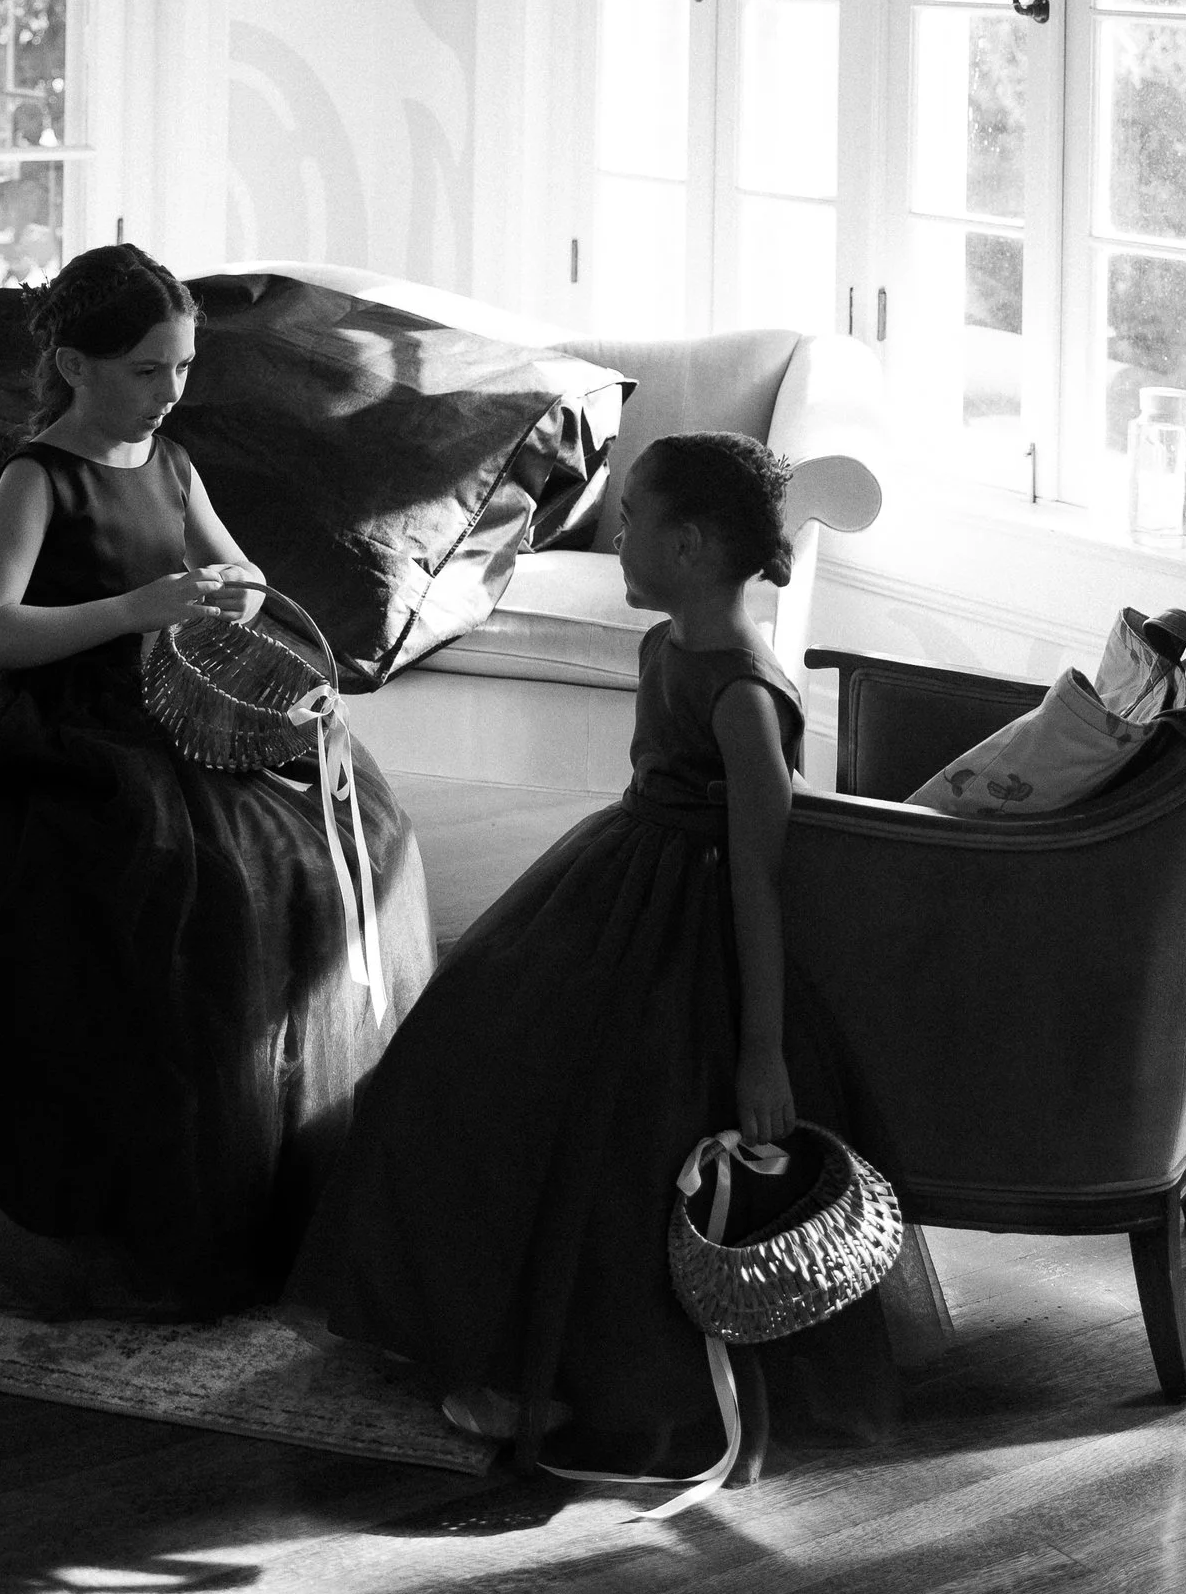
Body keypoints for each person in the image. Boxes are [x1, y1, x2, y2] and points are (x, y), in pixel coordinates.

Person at [291, 428, 931, 1474]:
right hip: (611, 887)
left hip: (697, 939)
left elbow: (761, 880)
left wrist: (760, 1052)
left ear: (685, 545)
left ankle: (579, 1373)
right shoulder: (662, 646)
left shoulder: (743, 696)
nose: (618, 536)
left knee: (611, 1134)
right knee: (460, 1062)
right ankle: (489, 1336)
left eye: (631, 520)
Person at [0, 243, 432, 1316]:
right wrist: (136, 609)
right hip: (71, 720)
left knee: (334, 843)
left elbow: (241, 569)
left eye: (182, 368)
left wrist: (231, 595)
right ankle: (130, 1184)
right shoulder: (40, 475)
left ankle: (278, 1153)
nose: (171, 393)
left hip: (180, 702)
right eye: (146, 372)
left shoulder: (172, 462)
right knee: (171, 881)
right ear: (74, 366)